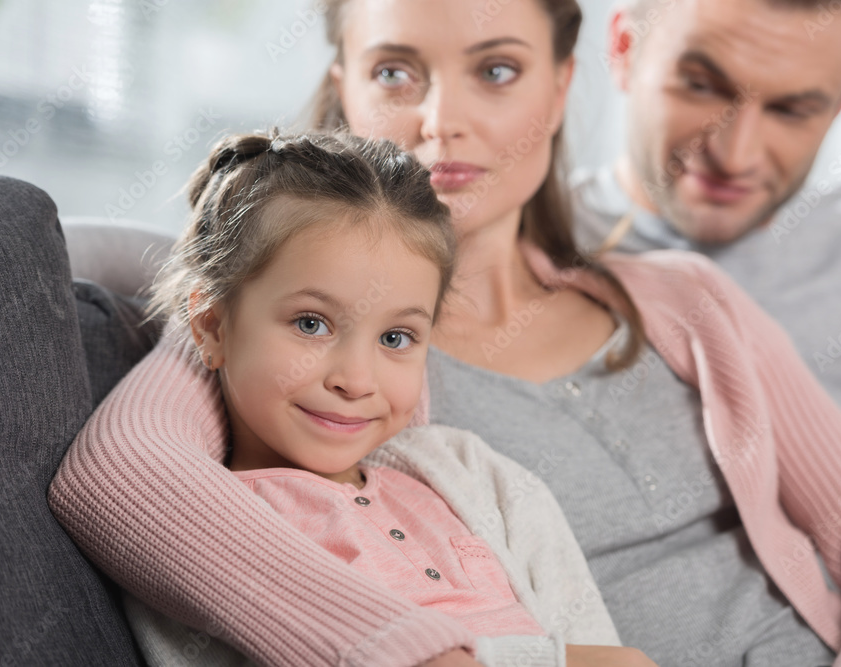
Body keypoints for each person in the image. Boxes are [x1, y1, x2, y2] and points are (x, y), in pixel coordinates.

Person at [48, 1, 841, 666]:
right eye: (395, 72)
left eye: (497, 71)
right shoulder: (289, 335)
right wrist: (435, 654)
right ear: (344, 85)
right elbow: (117, 474)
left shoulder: (687, 299)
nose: (442, 120)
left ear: (563, 83)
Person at [117, 129, 627, 667]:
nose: (356, 380)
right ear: (212, 326)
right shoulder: (206, 536)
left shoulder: (470, 471)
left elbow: (596, 643)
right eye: (311, 324)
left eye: (395, 339)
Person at [574, 0, 841, 492]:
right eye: (700, 86)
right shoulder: (509, 255)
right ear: (624, 50)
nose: (735, 156)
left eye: (791, 110)